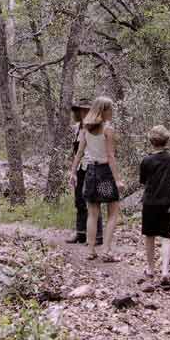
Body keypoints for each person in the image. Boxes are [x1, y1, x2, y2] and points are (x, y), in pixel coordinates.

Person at [70, 96, 124, 262]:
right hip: (105, 174)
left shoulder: (85, 128)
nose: (112, 112)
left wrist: (73, 172)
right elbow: (110, 156)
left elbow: (79, 153)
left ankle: (91, 250)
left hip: (91, 173)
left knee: (92, 213)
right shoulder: (108, 129)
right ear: (104, 110)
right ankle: (106, 251)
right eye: (110, 109)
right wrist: (117, 180)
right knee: (113, 212)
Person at [139, 125, 170, 286]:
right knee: (166, 236)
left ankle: (150, 269)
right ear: (167, 140)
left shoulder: (146, 160)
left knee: (149, 236)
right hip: (169, 201)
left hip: (150, 201)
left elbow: (143, 181)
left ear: (151, 141)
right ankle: (165, 271)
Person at [66, 98, 103, 245]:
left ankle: (97, 235)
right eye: (81, 110)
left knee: (93, 201)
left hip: (93, 166)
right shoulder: (77, 128)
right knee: (79, 200)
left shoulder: (97, 127)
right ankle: (81, 233)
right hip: (80, 167)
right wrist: (73, 170)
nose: (83, 112)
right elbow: (76, 151)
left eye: (86, 110)